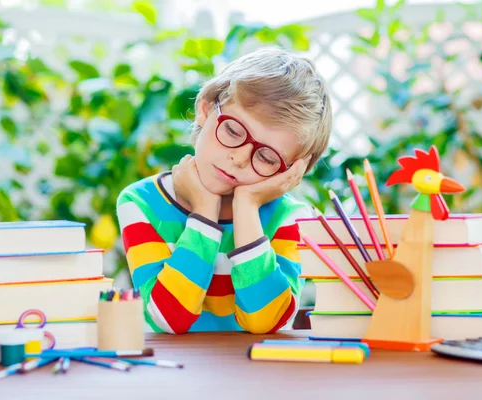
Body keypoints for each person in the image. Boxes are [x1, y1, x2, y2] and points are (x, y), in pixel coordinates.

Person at [117, 47, 332, 334]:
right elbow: (168, 318)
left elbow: (264, 323)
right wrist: (204, 211)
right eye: (232, 131)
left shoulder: (290, 218)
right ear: (205, 109)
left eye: (267, 158)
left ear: (290, 171)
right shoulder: (141, 202)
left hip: (252, 373)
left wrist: (247, 206)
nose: (240, 158)